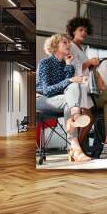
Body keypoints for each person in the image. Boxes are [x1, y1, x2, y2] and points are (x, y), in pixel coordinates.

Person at [36, 33, 91, 162]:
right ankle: (76, 116)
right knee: (72, 89)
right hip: (42, 99)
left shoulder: (67, 65)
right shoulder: (45, 63)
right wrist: (70, 79)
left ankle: (74, 147)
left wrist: (68, 65)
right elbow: (47, 90)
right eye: (64, 42)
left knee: (70, 103)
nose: (69, 45)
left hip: (62, 101)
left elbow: (68, 89)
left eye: (69, 43)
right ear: (55, 46)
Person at [66, 17, 100, 148]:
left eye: (86, 30)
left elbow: (83, 67)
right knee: (84, 119)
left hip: (83, 87)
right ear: (73, 31)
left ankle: (77, 148)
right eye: (80, 30)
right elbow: (73, 68)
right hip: (76, 87)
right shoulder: (71, 47)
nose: (84, 33)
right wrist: (90, 62)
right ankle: (76, 148)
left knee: (88, 120)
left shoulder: (82, 49)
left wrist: (92, 65)